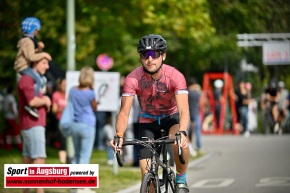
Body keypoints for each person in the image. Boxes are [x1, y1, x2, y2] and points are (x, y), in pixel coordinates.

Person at [110, 34, 190, 193]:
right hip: (147, 121)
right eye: (145, 55)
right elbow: (124, 113)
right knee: (146, 173)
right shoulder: (133, 78)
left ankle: (181, 180)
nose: (150, 59)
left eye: (155, 54)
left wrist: (183, 131)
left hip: (171, 118)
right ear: (140, 57)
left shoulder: (175, 76)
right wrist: (119, 134)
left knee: (177, 141)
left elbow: (184, 110)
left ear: (163, 56)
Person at [17, 55, 52, 193]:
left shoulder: (33, 79)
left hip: (31, 124)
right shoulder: (27, 79)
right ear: (35, 62)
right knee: (39, 158)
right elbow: (31, 101)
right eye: (44, 63)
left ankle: (26, 191)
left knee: (28, 158)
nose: (47, 66)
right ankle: (39, 191)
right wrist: (45, 100)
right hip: (33, 124)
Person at [14, 17, 52, 118]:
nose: (37, 33)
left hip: (25, 67)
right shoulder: (28, 41)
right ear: (33, 30)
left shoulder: (27, 41)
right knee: (39, 80)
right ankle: (31, 103)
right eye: (36, 30)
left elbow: (31, 54)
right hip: (23, 67)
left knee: (42, 79)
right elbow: (31, 57)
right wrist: (44, 54)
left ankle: (36, 95)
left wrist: (39, 49)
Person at [70, 66, 97, 164]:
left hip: (75, 124)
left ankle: (73, 178)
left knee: (76, 155)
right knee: (84, 155)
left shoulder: (72, 90)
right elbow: (94, 108)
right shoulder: (90, 93)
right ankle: (82, 178)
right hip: (87, 124)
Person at [52, 77, 67, 164]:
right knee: (62, 141)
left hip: (71, 121)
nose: (65, 86)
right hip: (60, 120)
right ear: (60, 85)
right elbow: (54, 110)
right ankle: (63, 161)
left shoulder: (70, 94)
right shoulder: (56, 95)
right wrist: (62, 110)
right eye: (63, 84)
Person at [3, 85, 22, 150]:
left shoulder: (6, 97)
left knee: (9, 132)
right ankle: (19, 146)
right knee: (16, 131)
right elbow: (11, 105)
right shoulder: (11, 97)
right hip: (11, 117)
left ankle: (8, 145)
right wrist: (15, 114)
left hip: (6, 116)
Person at [187, 77, 202, 156]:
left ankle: (189, 146)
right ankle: (199, 147)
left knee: (188, 132)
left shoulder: (186, 92)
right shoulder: (196, 93)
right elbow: (200, 103)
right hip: (196, 113)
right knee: (197, 132)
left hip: (188, 114)